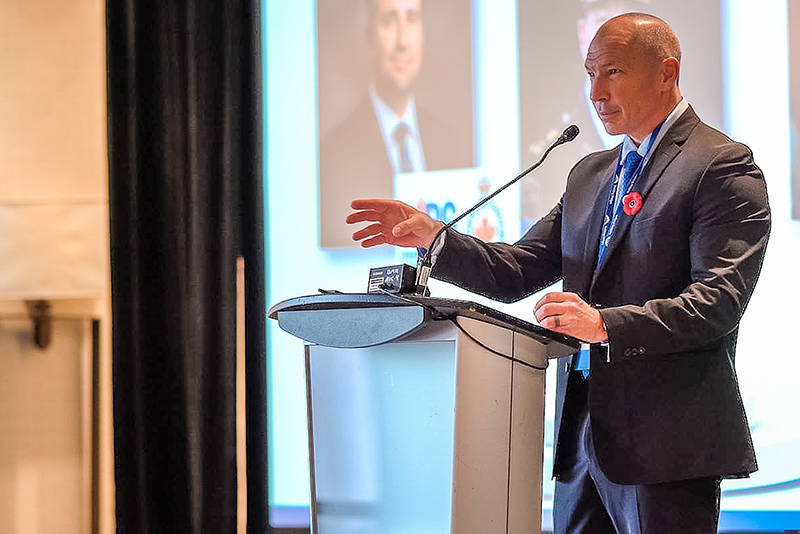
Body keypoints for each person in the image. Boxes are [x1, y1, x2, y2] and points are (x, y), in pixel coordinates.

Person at [347, 12, 771, 533]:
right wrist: (435, 237)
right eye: (589, 73)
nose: (595, 91)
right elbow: (517, 271)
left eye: (611, 72)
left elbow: (718, 303)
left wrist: (604, 325)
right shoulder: (591, 174)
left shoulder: (720, 166)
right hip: (582, 443)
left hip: (667, 447)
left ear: (667, 71)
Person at [318, 0, 472, 248]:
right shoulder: (335, 152)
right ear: (370, 37)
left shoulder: (448, 140)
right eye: (389, 22)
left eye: (411, 20)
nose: (402, 42)